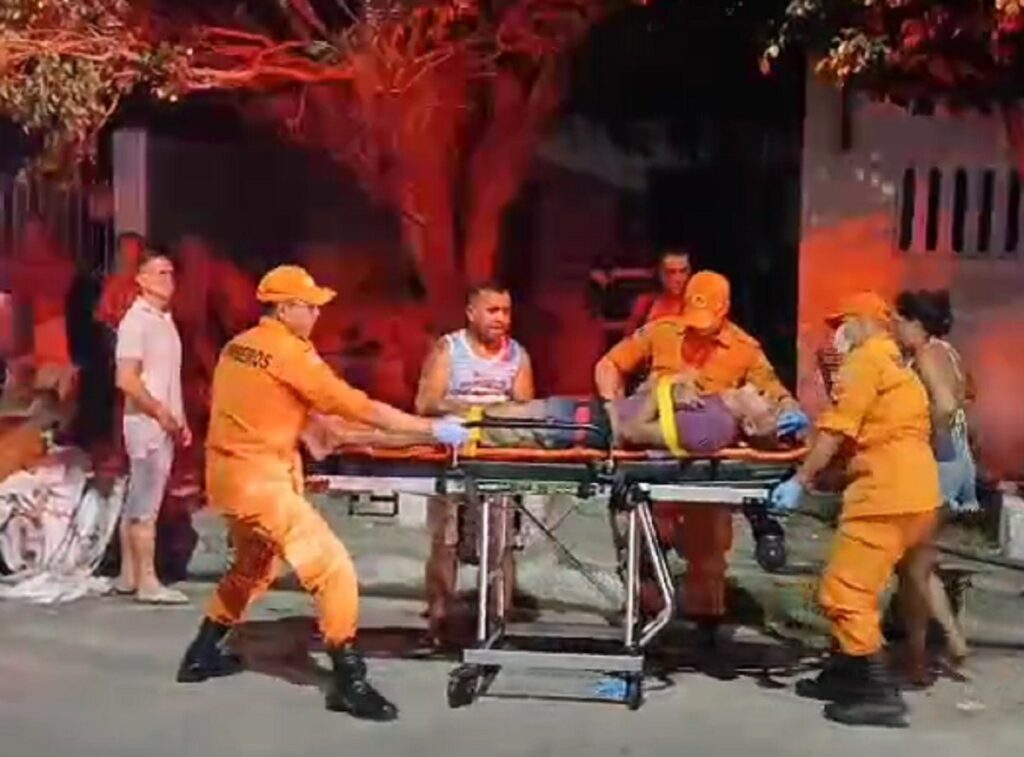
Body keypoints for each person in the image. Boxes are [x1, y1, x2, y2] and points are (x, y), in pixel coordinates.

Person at [175, 265, 468, 722]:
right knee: (333, 571)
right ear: (284, 308)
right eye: (309, 307)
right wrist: (430, 429)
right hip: (261, 484)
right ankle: (348, 681)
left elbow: (299, 419)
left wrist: (368, 434)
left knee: (254, 566)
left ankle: (201, 653)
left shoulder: (239, 346)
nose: (316, 315)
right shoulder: (289, 353)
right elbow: (354, 405)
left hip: (228, 478)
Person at [594, 271, 809, 648]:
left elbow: (774, 394)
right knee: (645, 541)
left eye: (706, 323)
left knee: (708, 548)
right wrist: (614, 409)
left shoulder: (744, 349)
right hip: (652, 452)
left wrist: (790, 410)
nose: (698, 331)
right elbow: (609, 365)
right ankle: (646, 622)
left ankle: (705, 631)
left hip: (707, 463)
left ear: (724, 311)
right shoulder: (663, 332)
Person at [771, 291, 941, 728]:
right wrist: (813, 439)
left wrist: (799, 480)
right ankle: (846, 672)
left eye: (842, 324)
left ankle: (878, 693)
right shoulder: (895, 363)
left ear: (865, 321)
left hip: (884, 494)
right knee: (853, 585)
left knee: (846, 591)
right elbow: (867, 427)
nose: (837, 335)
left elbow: (839, 430)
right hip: (915, 490)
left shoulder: (865, 361)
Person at [414, 281, 534, 645]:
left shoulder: (518, 355)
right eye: (492, 310)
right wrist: (479, 411)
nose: (501, 319)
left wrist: (496, 419)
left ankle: (498, 624)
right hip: (452, 457)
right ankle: (438, 621)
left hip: (499, 459)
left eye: (506, 311)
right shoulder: (448, 349)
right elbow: (426, 403)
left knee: (501, 543)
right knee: (445, 541)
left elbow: (526, 412)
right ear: (471, 313)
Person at [303, 381, 791, 457]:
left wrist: (665, 386)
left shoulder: (712, 428)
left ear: (750, 425)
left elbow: (629, 430)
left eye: (768, 405)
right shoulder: (711, 404)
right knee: (460, 418)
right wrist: (667, 388)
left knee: (449, 434)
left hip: (574, 427)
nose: (763, 393)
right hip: (571, 415)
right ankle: (343, 429)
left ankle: (342, 437)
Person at [892, 289, 973, 683]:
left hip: (934, 466)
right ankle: (930, 651)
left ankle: (928, 653)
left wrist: (921, 433)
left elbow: (945, 405)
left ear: (916, 324)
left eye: (898, 320)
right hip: (956, 463)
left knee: (914, 569)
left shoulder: (925, 355)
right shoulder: (949, 353)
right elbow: (967, 395)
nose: (894, 327)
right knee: (918, 563)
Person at [112, 249, 191, 604]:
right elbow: (126, 379)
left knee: (140, 497)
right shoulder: (136, 322)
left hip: (163, 421)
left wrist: (179, 419)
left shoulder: (164, 320)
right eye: (159, 273)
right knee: (146, 502)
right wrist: (159, 411)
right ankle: (146, 581)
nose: (167, 280)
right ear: (141, 279)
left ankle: (129, 575)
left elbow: (169, 377)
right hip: (146, 423)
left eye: (170, 273)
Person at [623, 248, 693, 335]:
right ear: (661, 274)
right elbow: (631, 337)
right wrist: (650, 329)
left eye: (683, 271)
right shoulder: (647, 303)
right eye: (671, 272)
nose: (678, 278)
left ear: (689, 272)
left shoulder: (697, 303)